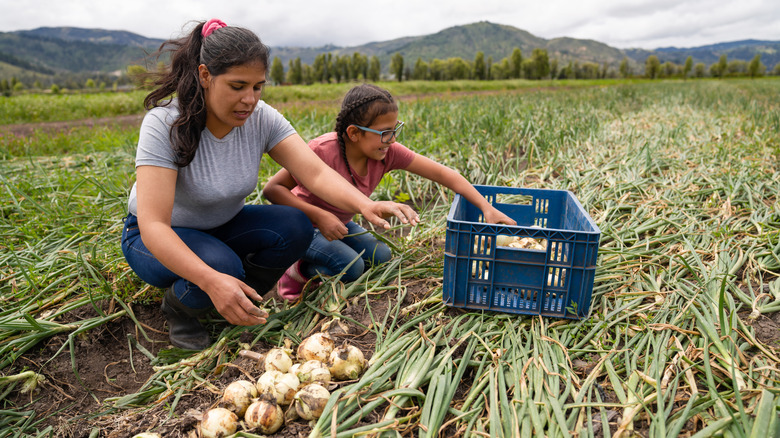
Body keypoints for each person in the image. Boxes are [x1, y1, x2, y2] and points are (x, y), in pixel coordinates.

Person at [120, 21, 418, 350]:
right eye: (237, 86)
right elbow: (154, 225)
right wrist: (211, 280)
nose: (249, 99)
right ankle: (181, 309)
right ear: (205, 75)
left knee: (295, 224)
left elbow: (315, 173)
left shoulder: (261, 117)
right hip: (155, 238)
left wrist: (364, 205)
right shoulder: (166, 123)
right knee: (221, 268)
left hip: (223, 224)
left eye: (257, 87)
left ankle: (240, 296)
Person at [262, 83, 517, 299]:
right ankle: (296, 272)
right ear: (354, 133)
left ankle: (320, 263)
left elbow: (443, 173)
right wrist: (319, 216)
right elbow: (272, 189)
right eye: (385, 133)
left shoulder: (387, 153)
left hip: (338, 224)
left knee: (382, 257)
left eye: (395, 130)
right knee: (351, 268)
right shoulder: (321, 150)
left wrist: (487, 208)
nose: (392, 139)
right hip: (302, 227)